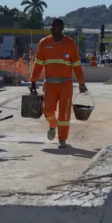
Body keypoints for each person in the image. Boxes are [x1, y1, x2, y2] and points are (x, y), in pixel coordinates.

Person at [30, 18, 88, 149]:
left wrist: (81, 83)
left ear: (62, 29)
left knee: (64, 113)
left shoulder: (70, 43)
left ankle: (62, 139)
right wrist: (33, 81)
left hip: (65, 84)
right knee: (48, 110)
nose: (53, 29)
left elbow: (77, 65)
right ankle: (52, 124)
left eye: (56, 27)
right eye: (51, 27)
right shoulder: (44, 43)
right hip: (50, 84)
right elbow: (38, 64)